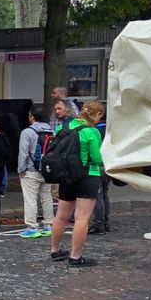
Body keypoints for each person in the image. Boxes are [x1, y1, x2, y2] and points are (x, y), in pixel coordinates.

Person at [48, 100, 105, 267]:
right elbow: (97, 158)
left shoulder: (63, 128)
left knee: (61, 216)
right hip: (87, 176)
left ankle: (55, 250)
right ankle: (75, 256)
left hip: (66, 177)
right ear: (97, 115)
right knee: (82, 218)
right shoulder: (91, 132)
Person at [17, 105, 55, 238]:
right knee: (46, 197)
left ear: (32, 117)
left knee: (30, 199)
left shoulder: (27, 132)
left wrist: (21, 169)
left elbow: (23, 153)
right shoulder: (51, 131)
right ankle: (49, 224)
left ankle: (32, 226)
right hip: (47, 170)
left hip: (31, 170)